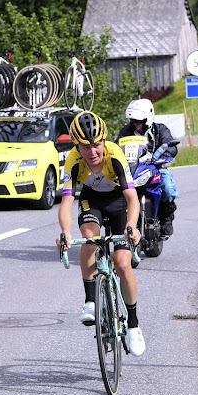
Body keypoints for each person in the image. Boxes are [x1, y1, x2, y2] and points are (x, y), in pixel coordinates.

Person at [57, 111, 145, 356]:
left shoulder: (114, 156)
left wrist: (131, 226)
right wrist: (65, 233)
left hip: (119, 202)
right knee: (89, 240)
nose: (92, 152)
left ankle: (134, 326)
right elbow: (66, 203)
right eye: (85, 147)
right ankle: (90, 301)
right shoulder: (73, 162)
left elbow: (132, 199)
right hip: (91, 201)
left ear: (104, 142)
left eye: (96, 145)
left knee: (122, 263)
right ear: (77, 146)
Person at [116, 98, 178, 237]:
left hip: (154, 167)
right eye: (133, 121)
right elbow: (116, 145)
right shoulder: (126, 131)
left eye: (139, 121)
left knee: (166, 185)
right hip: (133, 169)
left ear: (148, 118)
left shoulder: (160, 129)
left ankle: (166, 219)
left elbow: (171, 145)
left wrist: (166, 154)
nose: (135, 124)